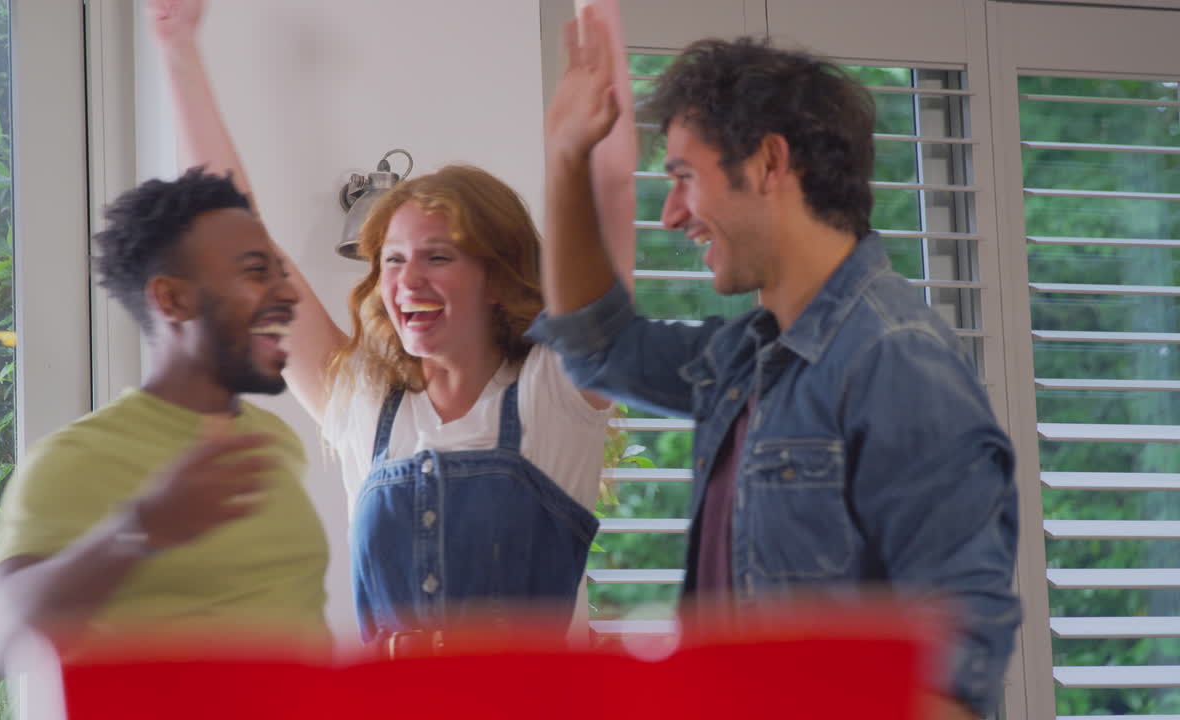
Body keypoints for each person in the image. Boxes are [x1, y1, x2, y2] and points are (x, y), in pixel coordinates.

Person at [534, 18, 1019, 720]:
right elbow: (594, 349)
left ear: (768, 163)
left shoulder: (896, 361)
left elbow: (953, 667)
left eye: (684, 178)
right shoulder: (748, 357)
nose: (670, 215)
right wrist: (564, 155)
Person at [148, 0, 637, 648]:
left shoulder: (557, 391)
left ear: (496, 279)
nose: (407, 281)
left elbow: (612, 199)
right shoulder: (364, 404)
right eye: (393, 260)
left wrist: (600, 19)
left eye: (438, 257)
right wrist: (178, 51)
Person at [0, 169, 331, 675]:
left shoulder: (276, 440)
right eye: (256, 272)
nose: (289, 294)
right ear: (172, 300)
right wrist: (138, 529)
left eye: (281, 272)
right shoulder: (76, 459)